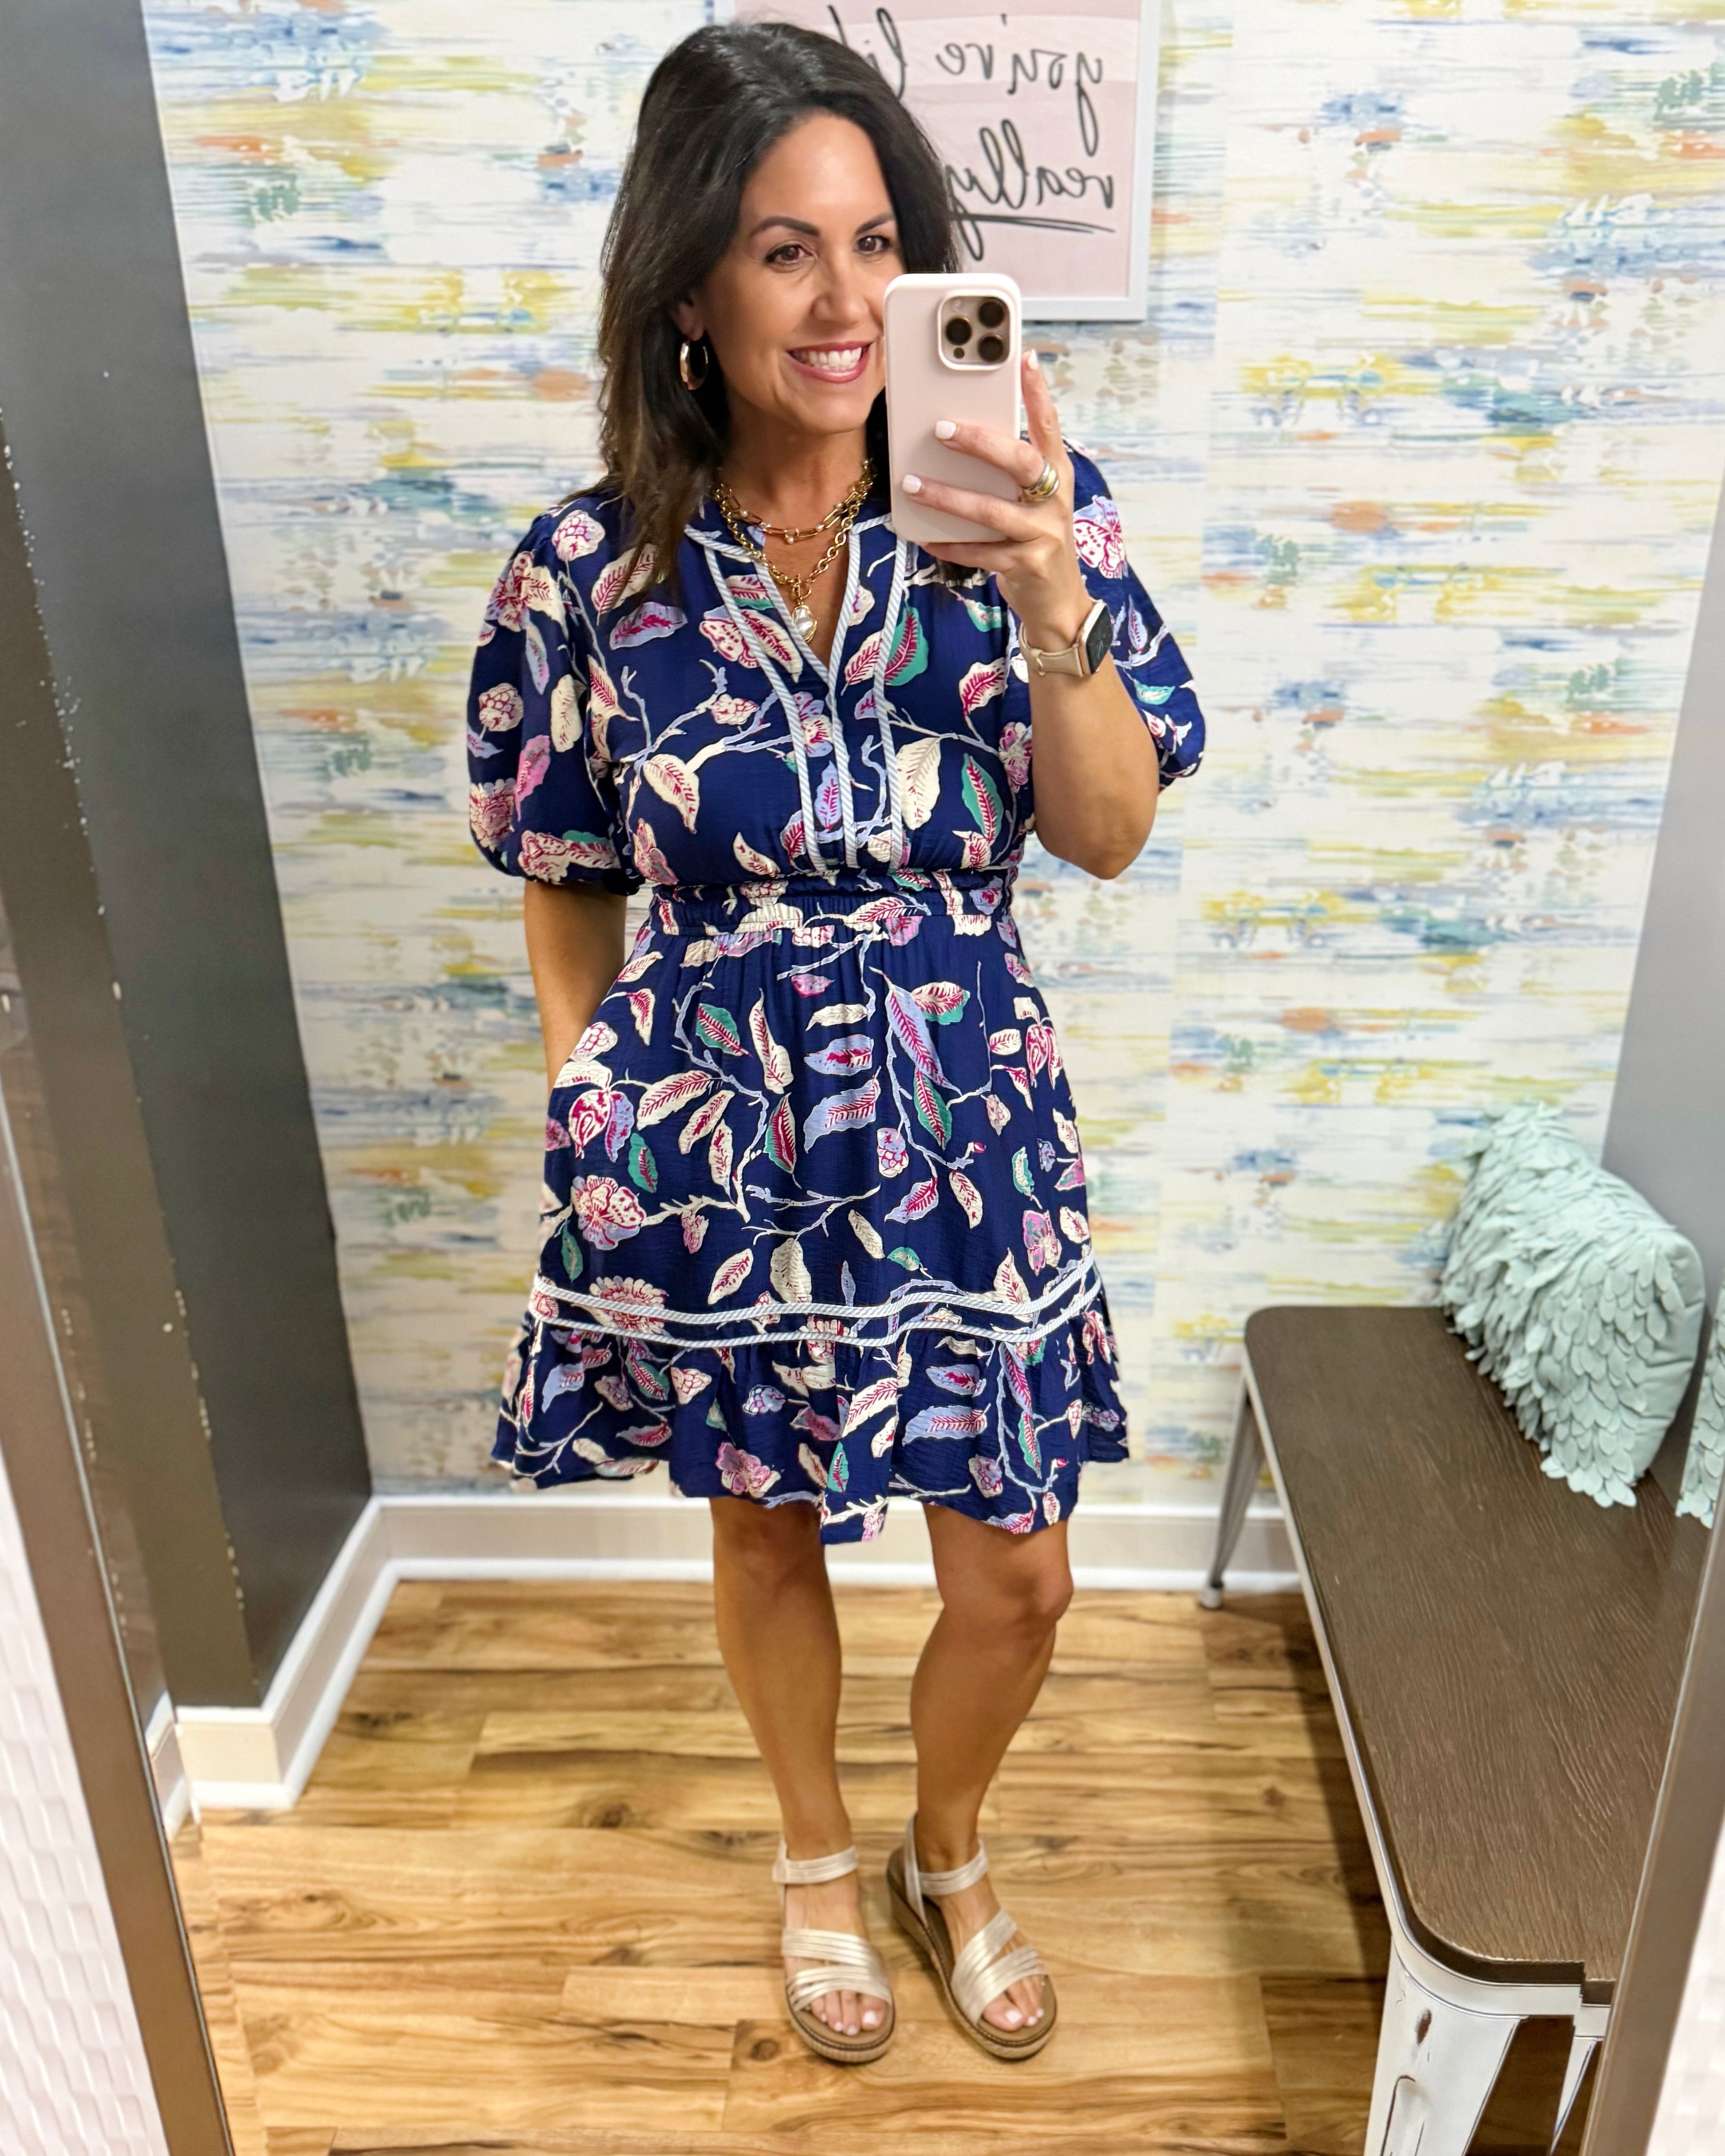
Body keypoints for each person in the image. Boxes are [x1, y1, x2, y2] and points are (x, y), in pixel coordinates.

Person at [464, 19, 1204, 2067]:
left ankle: (942, 1850)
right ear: (687, 287)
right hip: (709, 1125)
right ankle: (813, 1854)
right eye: (783, 249)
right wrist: (584, 1092)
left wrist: (1048, 594)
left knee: (1021, 1578)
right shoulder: (587, 572)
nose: (845, 299)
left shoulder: (1025, 510)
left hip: (966, 1117)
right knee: (763, 1521)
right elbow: (560, 863)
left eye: (877, 243)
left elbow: (1108, 833)